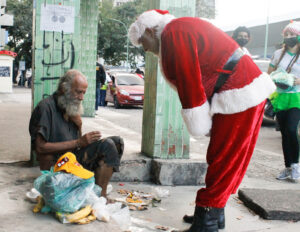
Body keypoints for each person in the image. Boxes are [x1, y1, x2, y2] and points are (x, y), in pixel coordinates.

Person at [129, 10, 275, 232]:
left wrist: (199, 119)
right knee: (227, 157)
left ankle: (206, 219)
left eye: (143, 42)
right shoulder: (176, 31)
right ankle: (215, 213)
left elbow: (189, 79)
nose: (145, 48)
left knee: (223, 158)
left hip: (239, 90)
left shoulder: (174, 33)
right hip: (240, 90)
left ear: (150, 30)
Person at [29, 69, 124, 198]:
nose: (81, 98)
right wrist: (79, 142)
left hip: (73, 160)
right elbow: (40, 147)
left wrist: (79, 126)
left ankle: (95, 190)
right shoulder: (45, 108)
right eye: (78, 92)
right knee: (107, 145)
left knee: (117, 142)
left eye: (83, 93)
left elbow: (77, 146)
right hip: (58, 165)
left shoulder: (69, 107)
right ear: (64, 89)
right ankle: (101, 198)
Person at [267, 21, 300, 182]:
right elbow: (269, 73)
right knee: (285, 133)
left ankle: (296, 166)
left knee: (292, 129)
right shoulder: (278, 54)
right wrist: (276, 78)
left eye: (292, 34)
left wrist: (298, 81)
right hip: (279, 97)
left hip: (297, 97)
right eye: (286, 34)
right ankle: (287, 167)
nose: (288, 37)